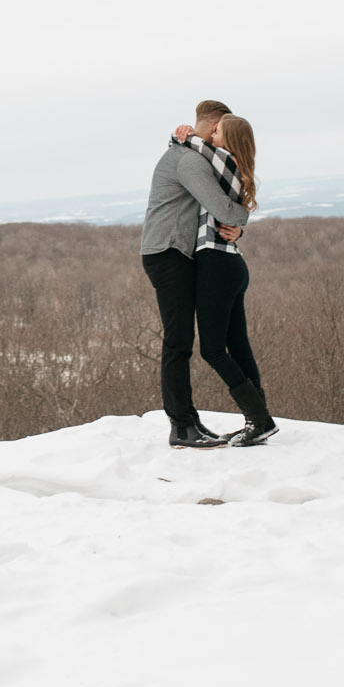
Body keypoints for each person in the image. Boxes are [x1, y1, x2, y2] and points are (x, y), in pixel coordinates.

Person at [140, 99, 253, 449]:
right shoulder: (189, 161)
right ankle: (181, 425)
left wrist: (238, 231)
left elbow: (212, 213)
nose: (224, 135)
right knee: (178, 341)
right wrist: (244, 219)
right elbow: (221, 208)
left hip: (178, 252)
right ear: (214, 125)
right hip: (167, 252)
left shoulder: (191, 152)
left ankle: (189, 421)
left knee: (184, 341)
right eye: (222, 128)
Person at [174, 115, 275, 447]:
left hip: (217, 264)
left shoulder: (224, 159)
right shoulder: (233, 168)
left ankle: (260, 419)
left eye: (217, 130)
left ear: (229, 138)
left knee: (213, 350)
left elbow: (195, 145)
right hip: (229, 263)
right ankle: (258, 421)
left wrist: (183, 136)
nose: (210, 132)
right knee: (239, 346)